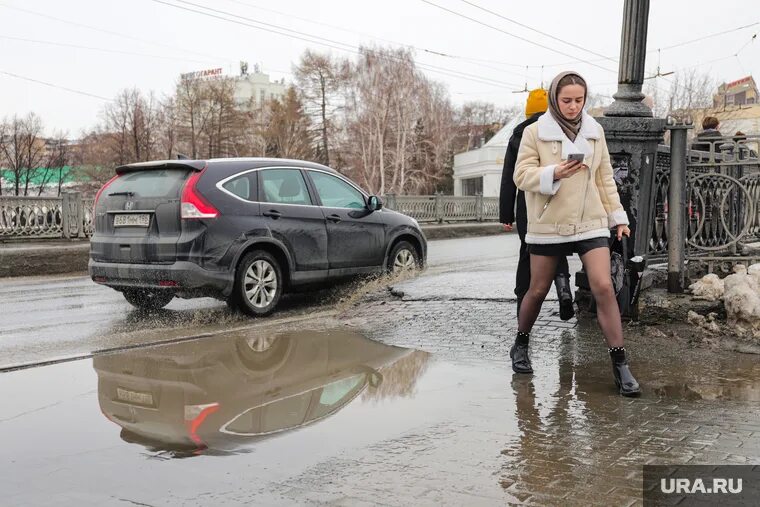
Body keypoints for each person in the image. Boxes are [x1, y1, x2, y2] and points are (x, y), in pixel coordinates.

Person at [511, 71, 641, 397]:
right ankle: (521, 344)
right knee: (538, 289)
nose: (572, 106)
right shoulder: (534, 132)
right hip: (548, 221)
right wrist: (553, 172)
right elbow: (521, 175)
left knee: (603, 285)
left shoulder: (596, 131)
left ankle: (620, 363)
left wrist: (617, 218)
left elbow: (605, 179)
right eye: (566, 100)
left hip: (590, 219)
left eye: (579, 100)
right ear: (555, 98)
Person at [499, 89, 574, 320]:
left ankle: (523, 301)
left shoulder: (519, 135)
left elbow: (509, 177)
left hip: (527, 205)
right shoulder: (560, 132)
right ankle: (563, 290)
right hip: (557, 198)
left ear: (528, 111)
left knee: (527, 251)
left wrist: (506, 215)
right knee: (556, 246)